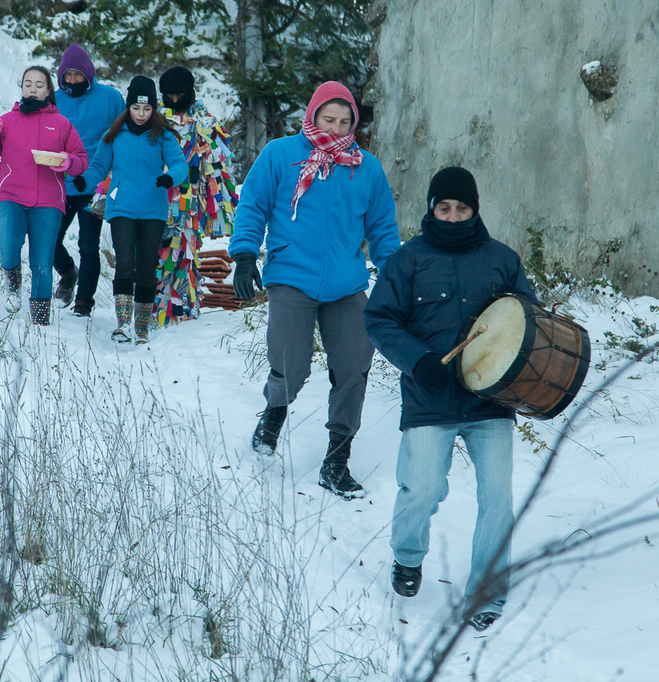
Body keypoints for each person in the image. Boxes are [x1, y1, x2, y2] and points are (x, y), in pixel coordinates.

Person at [362, 166, 540, 631]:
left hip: (490, 401)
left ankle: (486, 589)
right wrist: (417, 360)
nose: (454, 215)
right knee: (421, 489)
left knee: (498, 498)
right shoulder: (408, 260)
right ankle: (407, 555)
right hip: (430, 397)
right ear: (431, 209)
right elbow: (379, 319)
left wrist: (522, 373)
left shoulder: (502, 260)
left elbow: (528, 320)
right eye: (445, 207)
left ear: (475, 210)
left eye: (463, 208)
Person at [229, 81, 401, 500]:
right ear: (313, 115)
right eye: (330, 119)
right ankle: (274, 413)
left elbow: (381, 229)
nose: (338, 127)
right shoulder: (280, 155)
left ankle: (337, 458)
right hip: (291, 275)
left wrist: (396, 274)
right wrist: (246, 254)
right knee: (291, 365)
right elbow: (252, 204)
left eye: (346, 121)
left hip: (346, 283)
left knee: (354, 368)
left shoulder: (366, 167)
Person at [73, 75, 187, 344]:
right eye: (136, 108)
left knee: (147, 269)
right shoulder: (113, 134)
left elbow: (179, 164)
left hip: (153, 209)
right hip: (121, 206)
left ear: (154, 108)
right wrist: (84, 181)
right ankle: (123, 324)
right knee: (125, 264)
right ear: (128, 106)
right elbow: (99, 167)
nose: (141, 114)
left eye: (147, 109)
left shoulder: (164, 135)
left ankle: (142, 328)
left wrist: (171, 177)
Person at [0, 65, 88, 325]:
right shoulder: (6, 122)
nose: (32, 89)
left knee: (43, 263)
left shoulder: (62, 124)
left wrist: (67, 162)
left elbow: (82, 160)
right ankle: (13, 284)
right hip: (10, 196)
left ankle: (40, 321)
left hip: (48, 202)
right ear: (21, 87)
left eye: (39, 85)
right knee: (7, 247)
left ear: (48, 91)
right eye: (28, 84)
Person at [153, 65, 240, 326]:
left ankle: (182, 310)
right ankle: (151, 308)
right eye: (170, 96)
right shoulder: (153, 117)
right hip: (154, 196)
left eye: (180, 95)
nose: (175, 101)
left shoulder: (204, 121)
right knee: (153, 252)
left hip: (189, 201)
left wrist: (220, 210)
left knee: (184, 254)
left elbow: (217, 168)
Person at [52, 44, 126, 315]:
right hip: (59, 183)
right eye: (67, 75)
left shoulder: (110, 97)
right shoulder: (54, 100)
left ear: (89, 74)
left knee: (88, 245)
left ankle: (84, 302)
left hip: (94, 185)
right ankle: (68, 272)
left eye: (78, 75)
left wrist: (117, 175)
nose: (73, 80)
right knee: (49, 240)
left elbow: (124, 133)